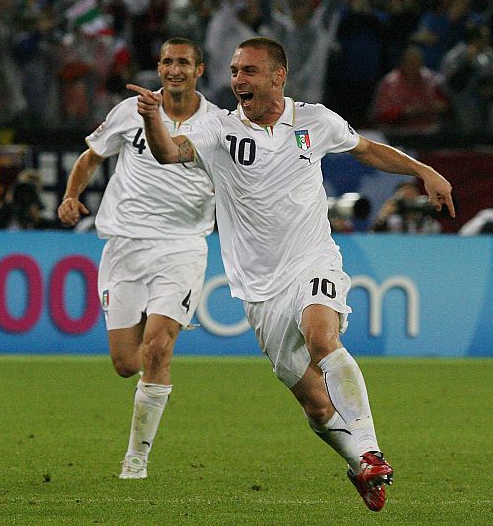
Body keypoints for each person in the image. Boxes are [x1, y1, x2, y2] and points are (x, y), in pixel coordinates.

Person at [127, 36, 454, 511]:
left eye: (249, 71)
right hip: (259, 289)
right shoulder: (218, 130)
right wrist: (152, 119)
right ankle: (359, 464)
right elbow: (169, 152)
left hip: (312, 259)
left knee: (323, 338)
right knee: (317, 406)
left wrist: (424, 171)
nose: (239, 80)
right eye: (235, 72)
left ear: (277, 77)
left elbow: (365, 149)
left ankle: (369, 449)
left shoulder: (314, 121)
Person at [58, 38, 218, 480]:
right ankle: (154, 318)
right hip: (125, 246)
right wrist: (72, 195)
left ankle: (136, 459)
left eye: (183, 61)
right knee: (126, 364)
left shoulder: (219, 124)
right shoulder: (131, 111)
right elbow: (93, 155)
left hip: (182, 246)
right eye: (166, 60)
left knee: (157, 349)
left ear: (199, 70)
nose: (174, 69)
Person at [371, 180, 443, 234]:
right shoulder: (391, 221)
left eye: (412, 198)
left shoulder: (429, 223)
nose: (409, 203)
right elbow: (373, 239)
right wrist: (382, 217)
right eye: (405, 199)